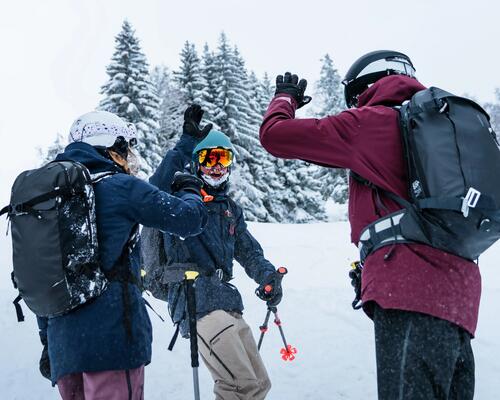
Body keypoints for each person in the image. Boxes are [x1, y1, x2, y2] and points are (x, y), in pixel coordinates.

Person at [259, 51, 479, 400]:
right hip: (460, 301)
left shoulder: (370, 122)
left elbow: (275, 135)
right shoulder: (441, 127)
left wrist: (284, 99)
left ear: (364, 87)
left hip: (411, 294)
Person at [37, 110, 208, 400]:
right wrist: (191, 190)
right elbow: (189, 220)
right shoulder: (119, 188)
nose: (129, 155)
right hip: (112, 341)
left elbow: (41, 275)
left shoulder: (51, 198)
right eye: (125, 147)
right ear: (111, 146)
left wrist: (47, 341)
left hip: (63, 346)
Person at [149, 104, 282, 400]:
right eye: (209, 159)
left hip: (226, 300)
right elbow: (153, 188)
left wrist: (268, 276)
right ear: (197, 163)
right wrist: (184, 146)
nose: (216, 166)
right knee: (240, 386)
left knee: (259, 385)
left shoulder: (230, 210)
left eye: (223, 159)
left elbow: (248, 251)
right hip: (195, 301)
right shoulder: (178, 201)